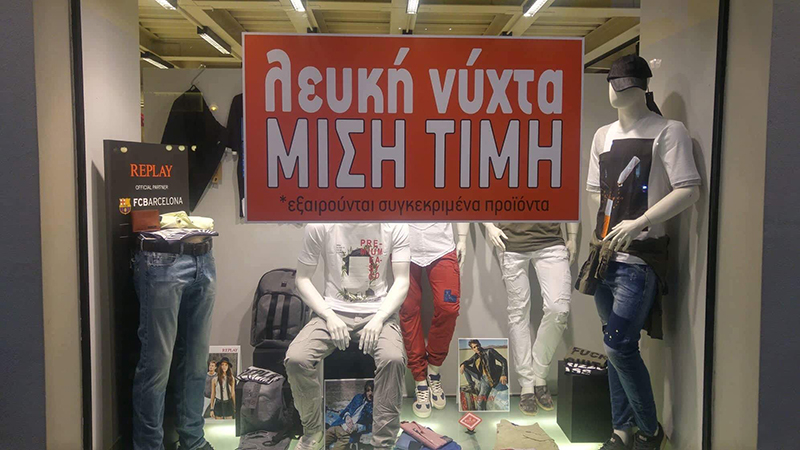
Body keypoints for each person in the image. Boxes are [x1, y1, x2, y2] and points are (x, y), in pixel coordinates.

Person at [580, 55, 701, 450]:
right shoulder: (603, 135)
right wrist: (602, 234)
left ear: (637, 87)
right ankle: (621, 430)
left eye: (623, 84)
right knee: (615, 347)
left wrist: (639, 222)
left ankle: (649, 430)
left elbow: (688, 189)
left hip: (640, 258)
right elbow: (595, 191)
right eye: (615, 84)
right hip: (604, 256)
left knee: (618, 345)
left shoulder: (668, 131)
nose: (617, 92)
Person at [285, 223, 411, 450]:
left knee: (393, 358)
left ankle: (383, 442)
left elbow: (402, 280)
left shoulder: (393, 223)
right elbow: (302, 279)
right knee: (296, 358)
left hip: (377, 312)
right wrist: (328, 314)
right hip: (332, 311)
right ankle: (313, 430)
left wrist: (380, 317)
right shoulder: (321, 224)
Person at [484, 222, 577, 415]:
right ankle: (527, 383)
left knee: (558, 309)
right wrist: (489, 225)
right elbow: (479, 200)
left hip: (551, 240)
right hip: (511, 241)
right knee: (518, 313)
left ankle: (539, 373)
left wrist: (573, 236)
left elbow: (573, 202)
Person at [400, 223, 468, 418]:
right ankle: (420, 379)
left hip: (441, 246)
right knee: (408, 310)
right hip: (404, 245)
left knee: (448, 308)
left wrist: (463, 238)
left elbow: (460, 206)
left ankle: (433, 368)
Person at [459, 340, 508, 410]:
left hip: (489, 378)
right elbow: (468, 361)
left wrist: (503, 374)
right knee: (465, 367)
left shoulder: (489, 351)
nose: (477, 348)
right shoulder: (476, 356)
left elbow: (503, 361)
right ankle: (471, 385)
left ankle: (482, 413)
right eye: (474, 347)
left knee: (480, 402)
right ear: (472, 349)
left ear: (480, 344)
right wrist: (463, 364)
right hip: (481, 376)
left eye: (477, 345)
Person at [325, 381, 375, 450]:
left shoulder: (375, 407)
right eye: (368, 390)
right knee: (320, 444)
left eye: (372, 391)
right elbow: (346, 410)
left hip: (348, 434)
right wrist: (347, 416)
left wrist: (357, 427)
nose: (370, 393)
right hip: (338, 425)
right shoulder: (358, 397)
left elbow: (372, 426)